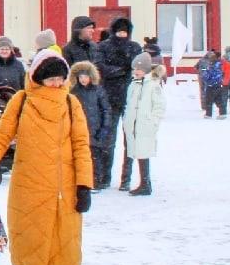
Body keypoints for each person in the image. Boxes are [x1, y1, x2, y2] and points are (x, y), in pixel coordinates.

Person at [0, 50, 93, 265]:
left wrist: (84, 185)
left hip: (61, 187)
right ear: (38, 77)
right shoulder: (21, 101)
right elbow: (2, 135)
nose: (56, 84)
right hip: (29, 183)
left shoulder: (71, 104)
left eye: (60, 78)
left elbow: (81, 145)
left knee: (57, 241)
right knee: (33, 238)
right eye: (51, 79)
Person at [94, 18, 140, 184]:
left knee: (131, 141)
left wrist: (123, 71)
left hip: (130, 99)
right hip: (109, 99)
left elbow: (138, 68)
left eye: (125, 32)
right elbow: (100, 67)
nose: (122, 35)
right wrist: (121, 71)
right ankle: (105, 177)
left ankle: (126, 179)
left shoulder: (134, 47)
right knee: (108, 141)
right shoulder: (104, 47)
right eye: (119, 31)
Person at [118, 54, 165, 195]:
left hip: (145, 125)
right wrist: (127, 120)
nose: (135, 72)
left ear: (145, 69)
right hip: (133, 125)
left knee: (143, 152)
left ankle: (145, 183)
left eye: (138, 69)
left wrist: (153, 121)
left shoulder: (153, 85)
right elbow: (129, 103)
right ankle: (144, 183)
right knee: (136, 152)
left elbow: (159, 106)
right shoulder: (134, 84)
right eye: (134, 69)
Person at [68, 62, 114, 192]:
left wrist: (105, 128)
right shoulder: (73, 92)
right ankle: (81, 181)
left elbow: (106, 109)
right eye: (81, 76)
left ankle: (96, 181)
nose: (83, 79)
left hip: (95, 129)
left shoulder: (98, 90)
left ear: (91, 77)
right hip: (79, 129)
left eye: (86, 76)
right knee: (80, 157)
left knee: (95, 157)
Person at [197, 49, 223, 120]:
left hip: (210, 85)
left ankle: (208, 114)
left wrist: (203, 76)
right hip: (218, 84)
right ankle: (222, 113)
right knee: (219, 100)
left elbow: (206, 75)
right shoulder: (220, 65)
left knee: (208, 100)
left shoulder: (210, 67)